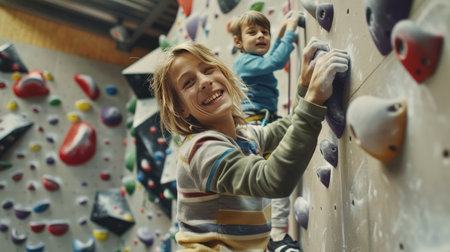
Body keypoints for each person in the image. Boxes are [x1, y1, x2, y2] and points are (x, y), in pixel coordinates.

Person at [151, 40, 348, 251]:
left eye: (208, 69)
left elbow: (282, 131)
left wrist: (305, 86)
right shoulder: (201, 150)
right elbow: (271, 180)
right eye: (188, 83)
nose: (204, 81)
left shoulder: (241, 136)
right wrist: (314, 99)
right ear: (181, 109)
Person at [230, 10, 304, 250]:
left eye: (265, 32)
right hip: (254, 126)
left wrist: (281, 29)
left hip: (263, 123)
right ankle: (277, 234)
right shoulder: (244, 62)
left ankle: (274, 233)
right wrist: (291, 29)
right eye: (252, 33)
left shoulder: (253, 59)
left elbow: (270, 56)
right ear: (238, 42)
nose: (261, 36)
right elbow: (275, 61)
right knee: (275, 177)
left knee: (274, 179)